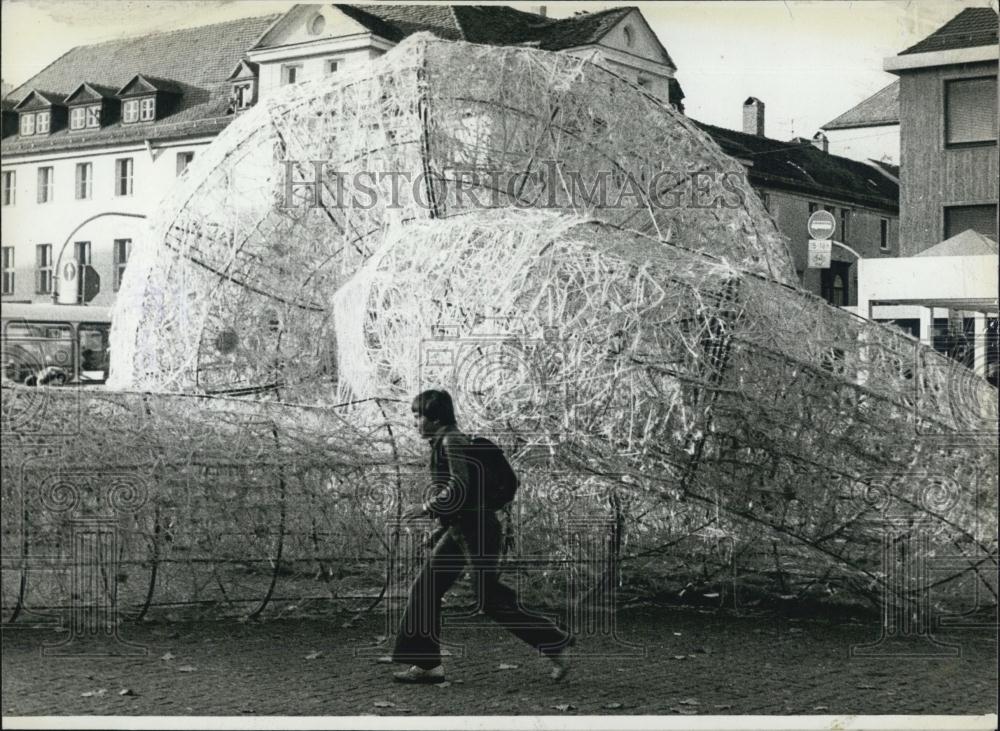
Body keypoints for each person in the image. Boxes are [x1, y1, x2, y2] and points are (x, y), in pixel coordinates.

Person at [391, 389, 573, 684]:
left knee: (489, 599)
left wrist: (427, 508)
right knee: (425, 589)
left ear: (435, 418)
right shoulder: (444, 441)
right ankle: (427, 665)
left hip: (479, 532)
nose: (415, 422)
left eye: (418, 416)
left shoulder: (451, 441)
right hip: (462, 530)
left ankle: (555, 643)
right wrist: (441, 528)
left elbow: (460, 488)